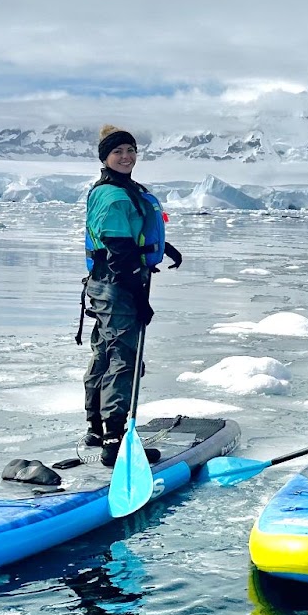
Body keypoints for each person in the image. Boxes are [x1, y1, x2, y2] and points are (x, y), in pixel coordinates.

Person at [80, 124, 183, 466]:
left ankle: (97, 428)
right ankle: (115, 440)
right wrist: (139, 297)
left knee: (106, 353)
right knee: (123, 358)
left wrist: (162, 247)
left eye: (130, 151)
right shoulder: (112, 195)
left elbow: (130, 235)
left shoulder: (123, 190)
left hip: (106, 284)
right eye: (117, 152)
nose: (126, 157)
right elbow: (119, 251)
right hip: (118, 285)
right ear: (105, 158)